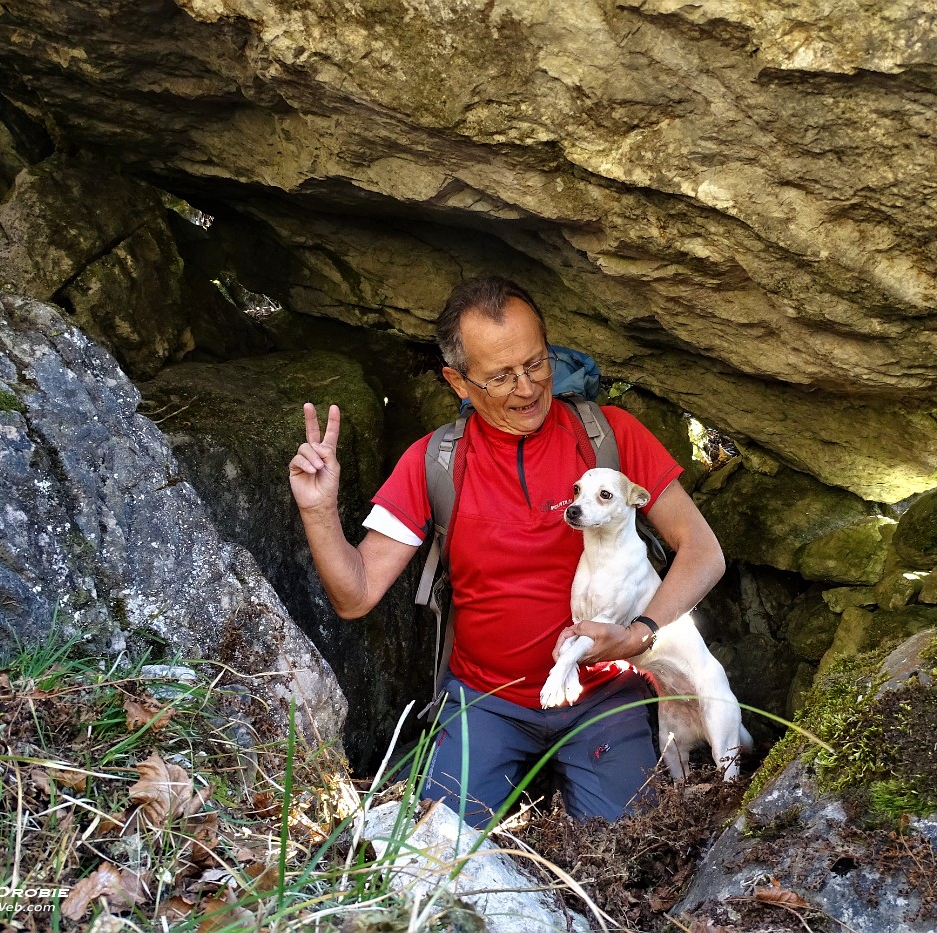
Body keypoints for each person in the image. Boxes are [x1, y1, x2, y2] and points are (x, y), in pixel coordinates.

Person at [289, 275, 725, 828]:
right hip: (483, 701)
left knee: (632, 858)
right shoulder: (436, 462)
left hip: (606, 694)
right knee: (426, 853)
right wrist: (318, 511)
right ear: (458, 382)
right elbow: (355, 596)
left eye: (536, 363)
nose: (526, 388)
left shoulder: (607, 438)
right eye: (500, 376)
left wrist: (641, 633)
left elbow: (703, 552)